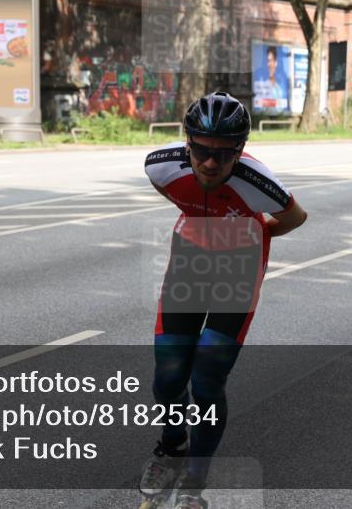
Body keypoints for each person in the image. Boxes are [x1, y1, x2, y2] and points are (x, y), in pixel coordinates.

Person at [140, 92, 308, 509]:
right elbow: (178, 196)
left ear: (240, 151)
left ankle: (194, 486)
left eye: (223, 154)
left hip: (240, 267)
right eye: (200, 150)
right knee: (168, 375)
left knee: (207, 378)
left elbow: (294, 217)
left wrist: (247, 235)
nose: (210, 163)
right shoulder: (160, 167)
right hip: (190, 262)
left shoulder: (257, 183)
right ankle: (172, 445)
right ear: (187, 143)